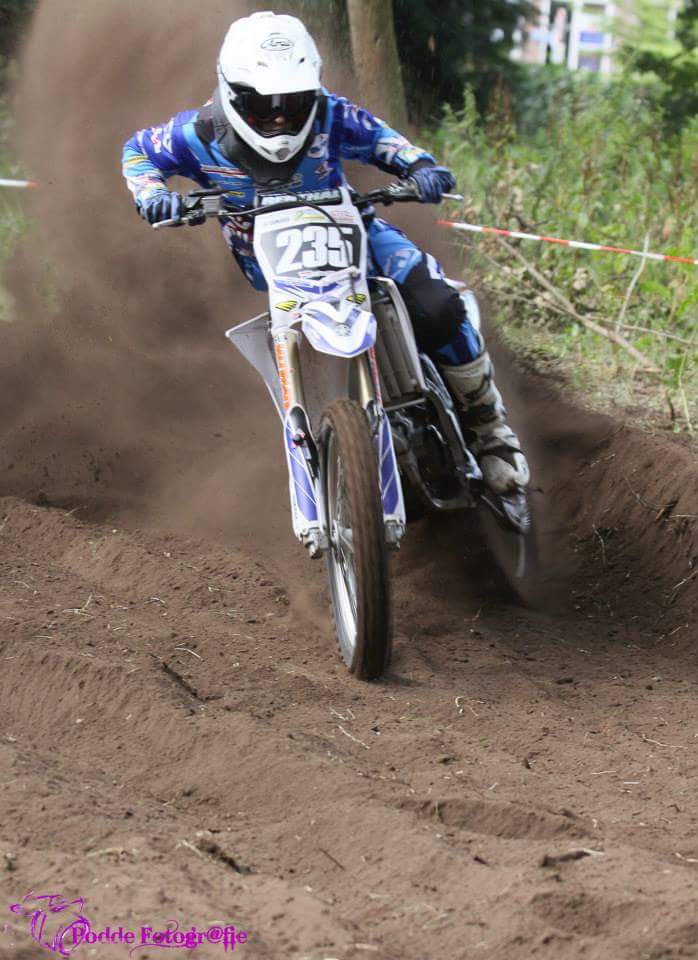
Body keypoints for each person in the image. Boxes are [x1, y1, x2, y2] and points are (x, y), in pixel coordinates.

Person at [122, 11, 529, 496]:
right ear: (231, 93)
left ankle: (491, 431)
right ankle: (328, 441)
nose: (277, 118)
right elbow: (138, 151)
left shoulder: (332, 115)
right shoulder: (198, 133)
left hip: (353, 231)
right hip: (268, 256)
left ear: (312, 92)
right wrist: (152, 195)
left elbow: (384, 141)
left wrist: (420, 167)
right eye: (262, 106)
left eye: (292, 105)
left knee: (439, 304)